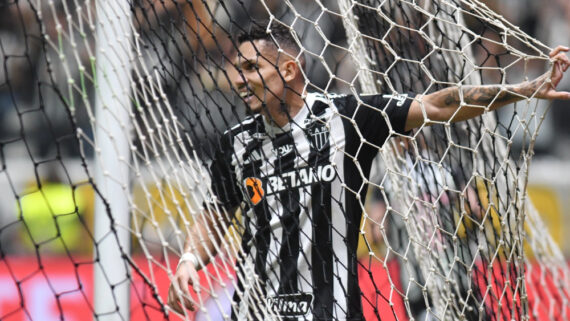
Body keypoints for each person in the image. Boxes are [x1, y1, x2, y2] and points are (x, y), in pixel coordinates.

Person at [167, 21, 570, 320]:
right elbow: (217, 210)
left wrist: (524, 89)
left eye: (252, 68)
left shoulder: (348, 118)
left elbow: (436, 106)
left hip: (333, 311)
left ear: (289, 70)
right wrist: (188, 258)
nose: (239, 79)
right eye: (236, 69)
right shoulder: (234, 143)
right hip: (256, 310)